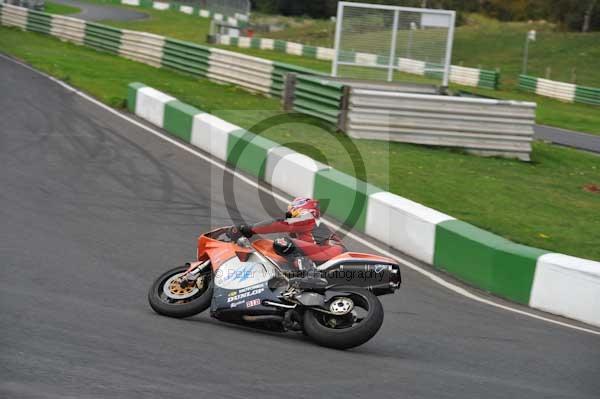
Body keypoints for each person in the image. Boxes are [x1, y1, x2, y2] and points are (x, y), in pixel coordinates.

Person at [238, 197, 346, 268]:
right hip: (328, 254)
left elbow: (279, 224)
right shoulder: (306, 227)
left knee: (282, 243)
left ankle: (309, 274)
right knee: (281, 248)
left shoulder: (309, 218)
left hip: (332, 253)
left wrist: (248, 229)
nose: (289, 214)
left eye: (291, 210)